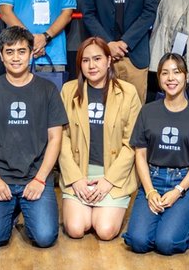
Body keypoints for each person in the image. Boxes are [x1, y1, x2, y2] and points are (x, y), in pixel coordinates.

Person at [0, 26, 67, 248]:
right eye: (10, 52)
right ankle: (13, 209)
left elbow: (55, 138)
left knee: (45, 238)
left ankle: (22, 206)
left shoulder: (48, 89)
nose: (16, 58)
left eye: (22, 51)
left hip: (35, 177)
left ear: (31, 53)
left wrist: (40, 179)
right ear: (1, 56)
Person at [124, 53, 189, 255]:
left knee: (166, 244)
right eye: (165, 73)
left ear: (186, 77)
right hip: (153, 179)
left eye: (176, 72)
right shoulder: (147, 111)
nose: (171, 78)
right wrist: (149, 191)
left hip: (184, 183)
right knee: (138, 242)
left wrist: (178, 190)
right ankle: (171, 225)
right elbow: (140, 155)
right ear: (159, 78)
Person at [59, 37, 142, 241]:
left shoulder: (128, 92)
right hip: (79, 173)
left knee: (105, 230)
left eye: (97, 59)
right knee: (76, 228)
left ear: (108, 60)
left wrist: (109, 180)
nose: (92, 65)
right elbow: (61, 138)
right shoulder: (68, 90)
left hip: (112, 174)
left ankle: (104, 207)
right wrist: (76, 178)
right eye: (85, 60)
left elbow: (131, 143)